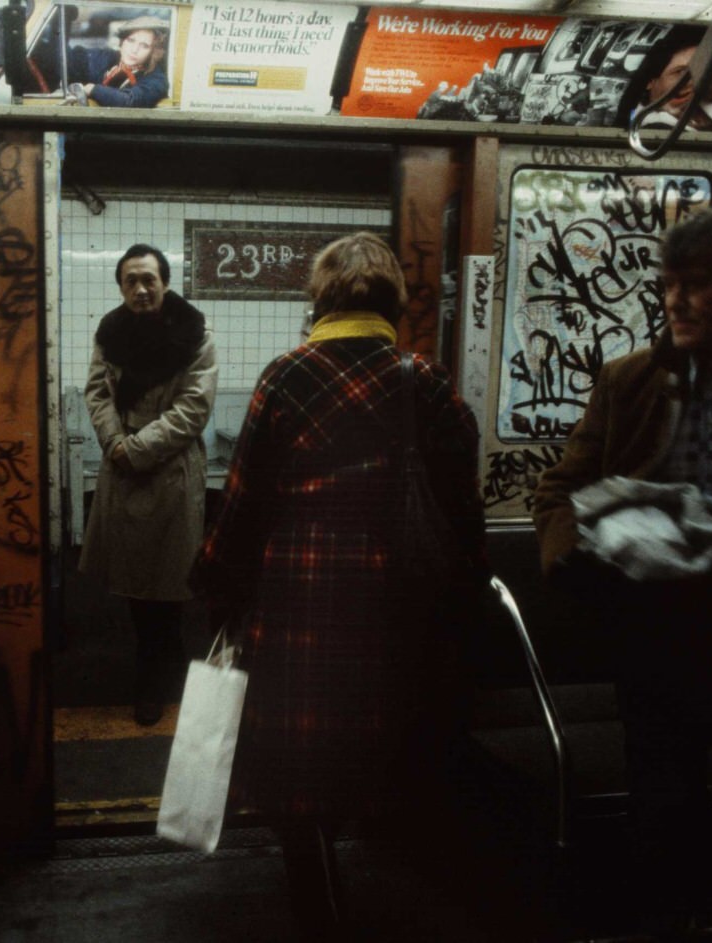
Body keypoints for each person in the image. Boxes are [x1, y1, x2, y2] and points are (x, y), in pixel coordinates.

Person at [195, 233, 486, 940]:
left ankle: (319, 909)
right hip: (399, 610)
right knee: (387, 754)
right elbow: (463, 511)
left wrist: (215, 583)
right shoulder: (426, 381)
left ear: (318, 300)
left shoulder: (286, 377)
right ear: (396, 303)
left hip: (300, 601)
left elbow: (242, 502)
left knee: (302, 777)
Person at [533, 209, 712, 940]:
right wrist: (578, 552)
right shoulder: (634, 380)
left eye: (698, 286)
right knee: (663, 812)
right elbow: (559, 488)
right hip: (662, 629)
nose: (674, 301)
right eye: (669, 285)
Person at [81, 244, 217, 725]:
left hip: (171, 469)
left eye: (149, 280)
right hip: (122, 463)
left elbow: (194, 408)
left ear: (165, 282)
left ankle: (164, 670)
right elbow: (96, 391)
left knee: (169, 576)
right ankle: (151, 665)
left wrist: (136, 449)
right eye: (130, 281)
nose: (140, 289)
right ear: (121, 287)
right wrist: (115, 442)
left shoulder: (194, 333)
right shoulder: (110, 333)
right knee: (136, 583)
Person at [64, 15, 170, 108]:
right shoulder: (108, 57)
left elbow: (129, 101)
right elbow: (70, 59)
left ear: (153, 52)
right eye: (131, 40)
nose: (134, 50)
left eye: (144, 46)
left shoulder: (156, 79)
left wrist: (93, 89)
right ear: (122, 41)